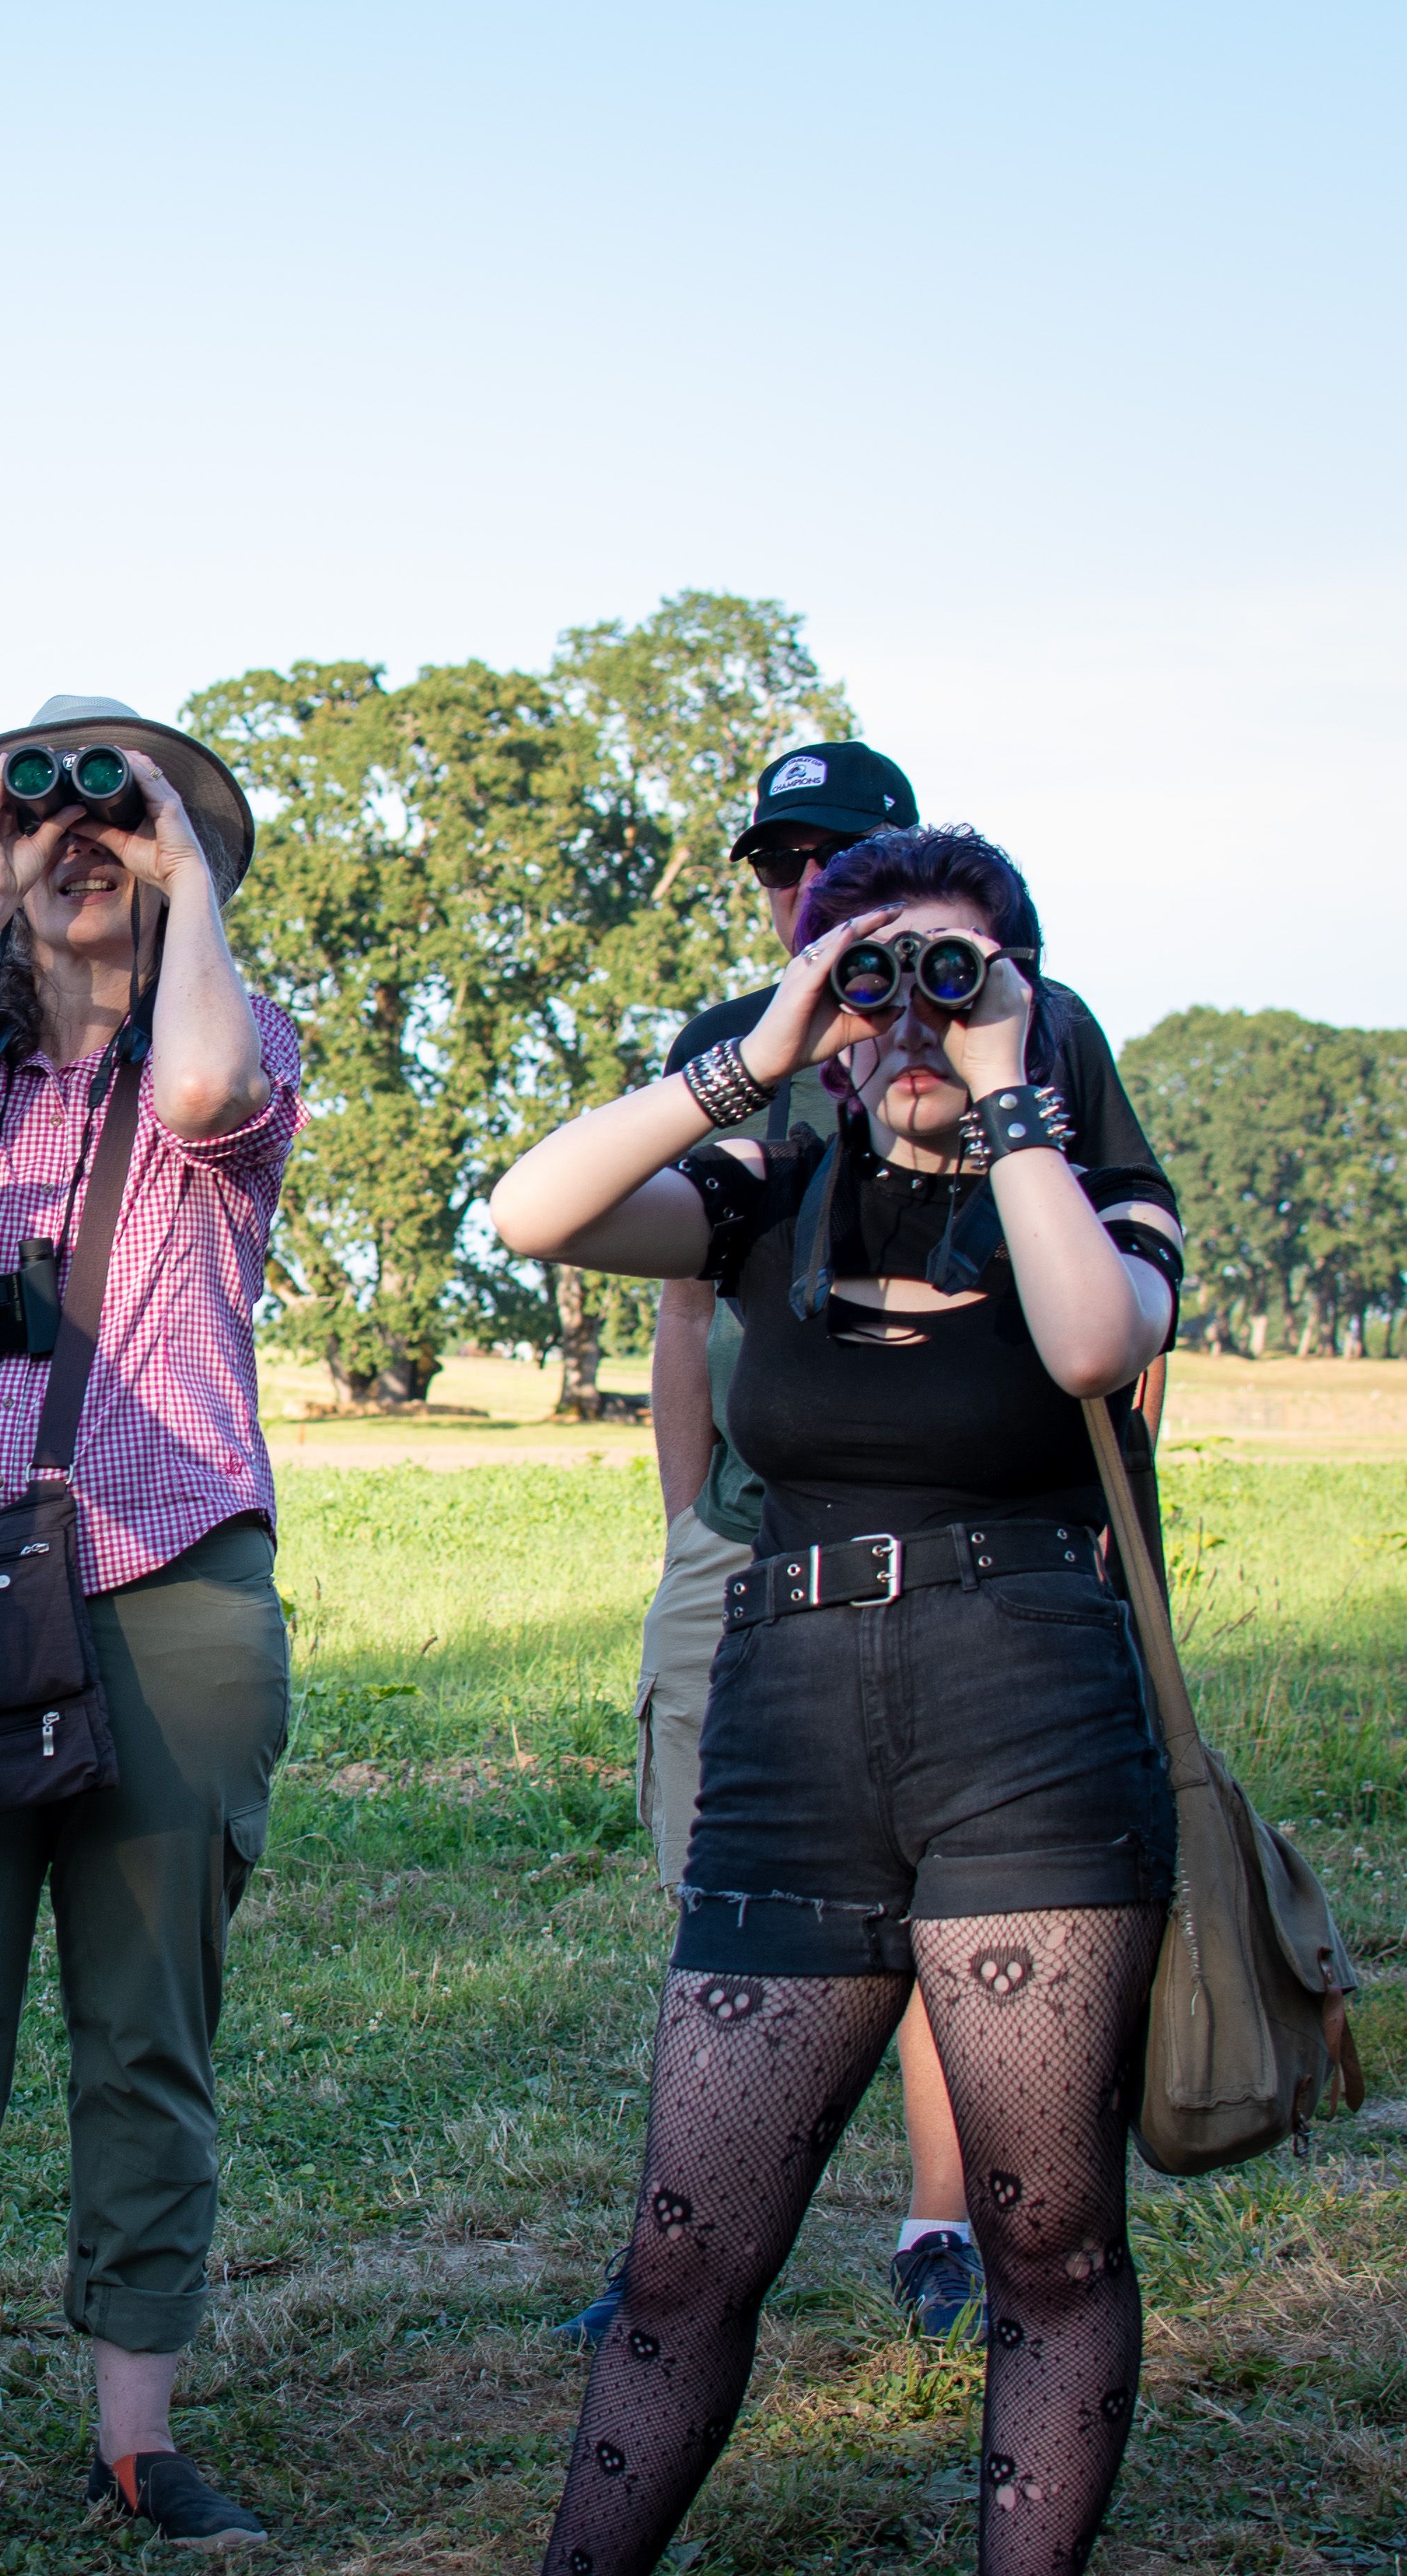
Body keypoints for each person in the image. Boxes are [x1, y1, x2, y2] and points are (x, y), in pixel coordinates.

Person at [490, 825, 1184, 2576]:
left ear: (1023, 998)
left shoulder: (1086, 1189)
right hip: (789, 1712)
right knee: (679, 2249)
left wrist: (1004, 1078)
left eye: (948, 973)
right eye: (871, 972)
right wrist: (757, 1050)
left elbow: (1094, 1345)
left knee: (1045, 2240)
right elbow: (532, 1211)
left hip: (1026, 1707)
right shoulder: (767, 1186)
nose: (907, 1012)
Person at [0, 698, 303, 2570]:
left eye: (118, 815)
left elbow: (188, 1100)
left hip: (169, 1588)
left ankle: (133, 2437)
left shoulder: (241, 1048)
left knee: (144, 2030)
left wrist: (172, 877)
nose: (75, 838)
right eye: (43, 820)